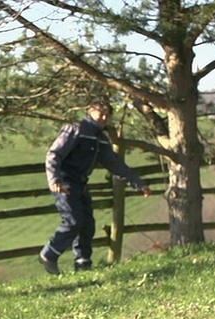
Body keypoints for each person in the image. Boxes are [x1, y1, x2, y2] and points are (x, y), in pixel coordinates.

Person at [39, 100, 151, 275]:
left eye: (108, 115)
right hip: (65, 181)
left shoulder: (100, 138)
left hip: (81, 183)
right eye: (101, 113)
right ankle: (49, 254)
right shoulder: (76, 129)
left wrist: (138, 183)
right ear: (90, 112)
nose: (104, 118)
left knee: (87, 224)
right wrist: (55, 180)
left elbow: (115, 164)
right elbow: (54, 154)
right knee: (73, 220)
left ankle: (83, 264)